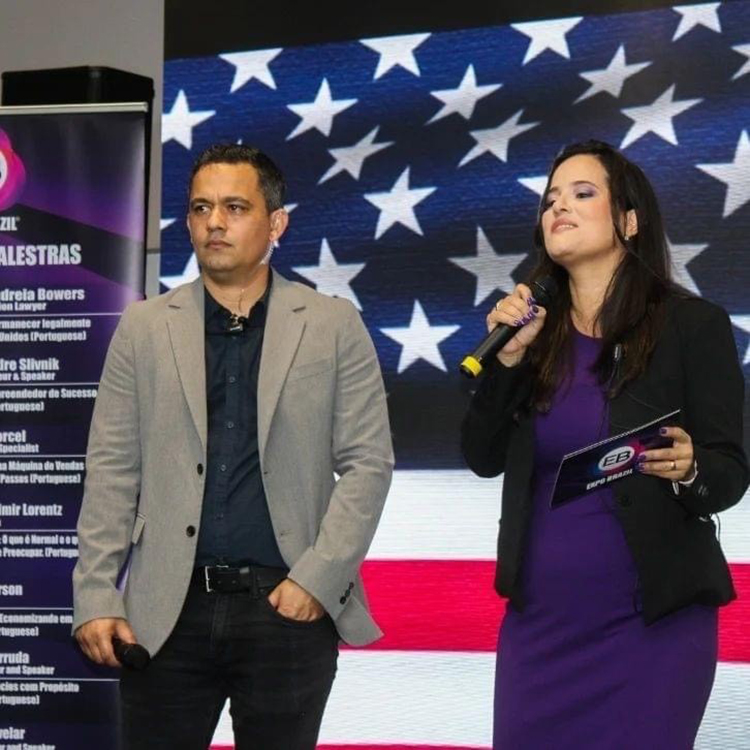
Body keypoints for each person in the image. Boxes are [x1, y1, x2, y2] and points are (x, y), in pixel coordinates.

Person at [72, 143, 394, 749]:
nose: (214, 222)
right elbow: (112, 468)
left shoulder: (331, 324)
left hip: (286, 608)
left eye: (234, 206)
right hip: (165, 614)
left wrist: (318, 580)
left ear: (276, 223)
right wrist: (93, 593)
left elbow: (368, 462)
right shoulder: (143, 327)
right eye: (200, 207)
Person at [461, 140, 748, 749]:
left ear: (629, 219)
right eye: (550, 200)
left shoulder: (694, 326)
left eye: (581, 193)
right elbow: (481, 457)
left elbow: (728, 472)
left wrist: (692, 468)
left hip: (654, 628)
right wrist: (508, 362)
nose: (558, 206)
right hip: (541, 630)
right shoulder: (528, 335)